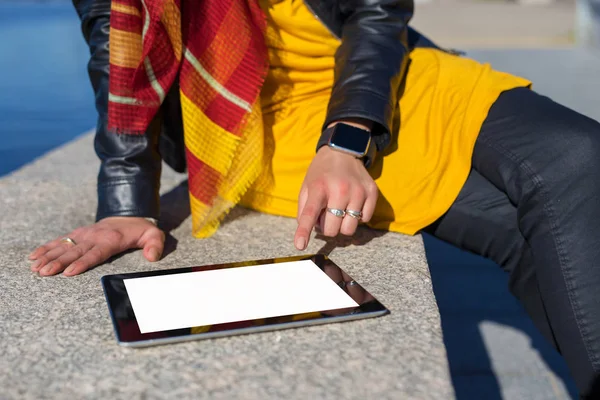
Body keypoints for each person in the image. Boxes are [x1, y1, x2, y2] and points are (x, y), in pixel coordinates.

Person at [28, 0, 599, 396]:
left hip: (372, 73)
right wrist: (126, 201)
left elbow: (378, 11)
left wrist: (348, 136)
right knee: (523, 230)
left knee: (580, 154)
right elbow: (120, 48)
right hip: (258, 118)